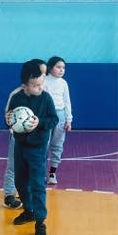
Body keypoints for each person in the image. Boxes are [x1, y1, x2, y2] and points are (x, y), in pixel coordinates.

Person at [6, 60, 58, 235]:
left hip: (38, 149)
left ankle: (40, 222)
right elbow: (10, 118)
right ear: (25, 84)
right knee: (20, 182)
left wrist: (39, 122)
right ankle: (29, 211)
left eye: (41, 84)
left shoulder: (46, 98)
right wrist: (8, 120)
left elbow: (54, 120)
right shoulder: (16, 98)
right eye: (35, 85)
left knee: (37, 184)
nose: (40, 88)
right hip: (20, 146)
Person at [2, 59, 46, 209]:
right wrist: (11, 124)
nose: (43, 76)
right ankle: (9, 195)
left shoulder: (44, 94)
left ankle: (30, 195)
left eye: (44, 74)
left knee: (34, 167)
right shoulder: (16, 94)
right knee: (13, 165)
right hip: (19, 138)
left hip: (37, 139)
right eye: (41, 73)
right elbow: (8, 114)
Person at [44, 56, 72, 185]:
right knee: (43, 144)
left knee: (57, 144)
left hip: (60, 116)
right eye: (58, 67)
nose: (61, 70)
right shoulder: (43, 81)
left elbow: (67, 102)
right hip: (46, 116)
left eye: (63, 68)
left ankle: (52, 173)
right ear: (50, 68)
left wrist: (68, 120)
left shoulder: (63, 83)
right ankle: (40, 173)